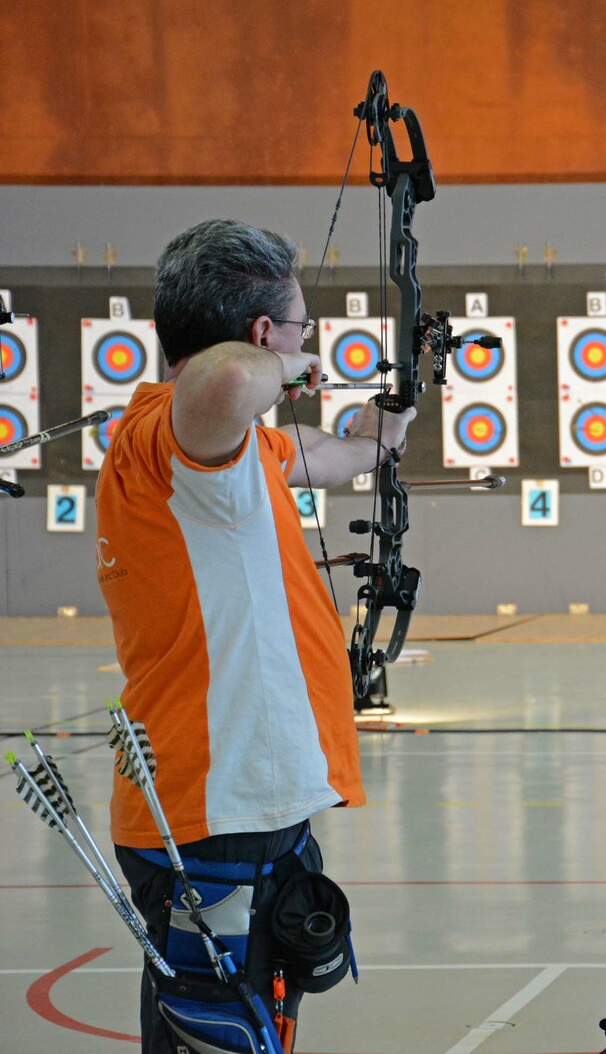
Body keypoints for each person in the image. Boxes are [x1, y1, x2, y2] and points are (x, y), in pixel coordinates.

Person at [96, 218, 414, 1052]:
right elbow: (232, 379)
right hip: (213, 807)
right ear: (264, 331)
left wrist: (385, 429)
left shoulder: (233, 451)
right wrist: (288, 364)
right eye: (299, 327)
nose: (307, 344)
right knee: (218, 1034)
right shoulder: (174, 433)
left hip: (238, 804)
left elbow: (330, 454)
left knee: (253, 1026)